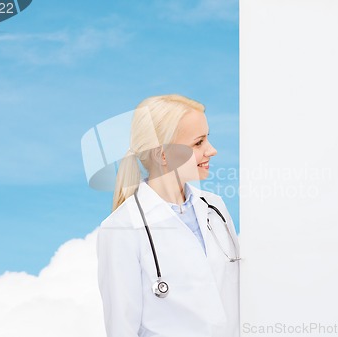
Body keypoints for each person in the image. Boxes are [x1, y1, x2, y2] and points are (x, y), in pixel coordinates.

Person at [97, 94, 240, 337]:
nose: (212, 150)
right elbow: (122, 327)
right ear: (163, 155)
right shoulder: (122, 228)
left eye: (208, 139)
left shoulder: (215, 208)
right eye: (198, 143)